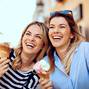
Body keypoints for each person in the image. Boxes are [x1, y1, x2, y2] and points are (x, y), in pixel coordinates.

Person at [40, 10, 89, 89]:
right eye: (51, 27)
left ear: (72, 34)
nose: (55, 31)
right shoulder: (44, 64)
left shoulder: (85, 49)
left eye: (62, 26)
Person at [0, 21, 51, 89]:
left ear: (43, 45)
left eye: (38, 37)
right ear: (22, 37)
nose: (31, 39)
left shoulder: (37, 74)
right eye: (28, 34)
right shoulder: (5, 55)